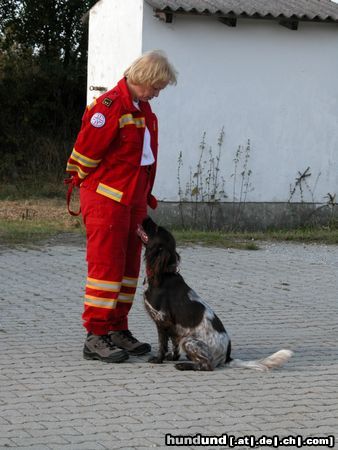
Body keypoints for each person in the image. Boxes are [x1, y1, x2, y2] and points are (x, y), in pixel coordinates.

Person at [65, 50, 177, 363]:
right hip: (107, 200)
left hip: (133, 200)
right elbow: (83, 157)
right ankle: (96, 335)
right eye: (156, 87)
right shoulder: (110, 106)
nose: (157, 93)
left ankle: (117, 328)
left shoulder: (143, 108)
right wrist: (96, 188)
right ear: (143, 78)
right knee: (106, 270)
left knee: (128, 270)